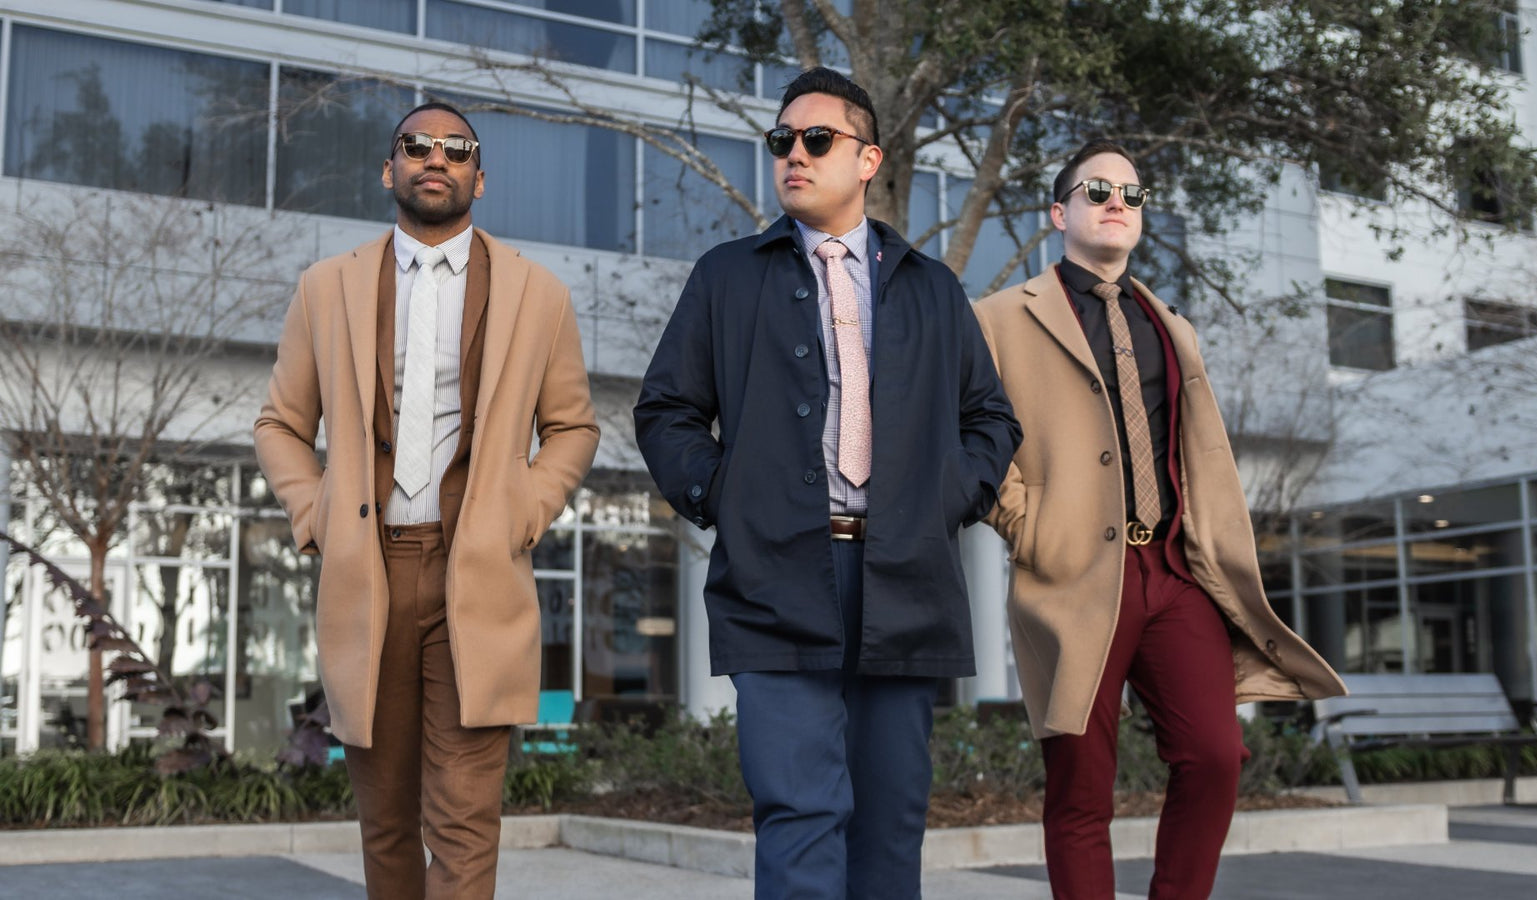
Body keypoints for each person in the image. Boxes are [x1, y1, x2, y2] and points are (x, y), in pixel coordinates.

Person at [634, 67, 1020, 900]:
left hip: (904, 581)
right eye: (781, 142)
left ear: (869, 157)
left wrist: (944, 500)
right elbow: (666, 410)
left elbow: (991, 420)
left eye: (817, 140)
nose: (793, 156)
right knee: (799, 814)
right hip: (776, 579)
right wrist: (725, 501)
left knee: (890, 826)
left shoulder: (932, 287)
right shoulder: (727, 276)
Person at [973, 140, 1346, 900]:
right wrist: (1025, 524)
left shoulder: (1171, 324)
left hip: (1175, 574)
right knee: (1080, 786)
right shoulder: (999, 318)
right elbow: (966, 436)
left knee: (1213, 756)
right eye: (1097, 189)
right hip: (1072, 576)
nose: (1117, 202)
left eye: (1131, 194)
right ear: (1059, 212)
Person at [254, 101, 598, 900]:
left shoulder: (537, 294)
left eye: (455, 148)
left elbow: (573, 427)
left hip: (474, 576)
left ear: (481, 175)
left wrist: (523, 511)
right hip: (366, 575)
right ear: (390, 169)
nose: (434, 158)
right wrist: (316, 512)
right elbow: (280, 423)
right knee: (385, 821)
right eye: (416, 146)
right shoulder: (326, 287)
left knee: (466, 818)